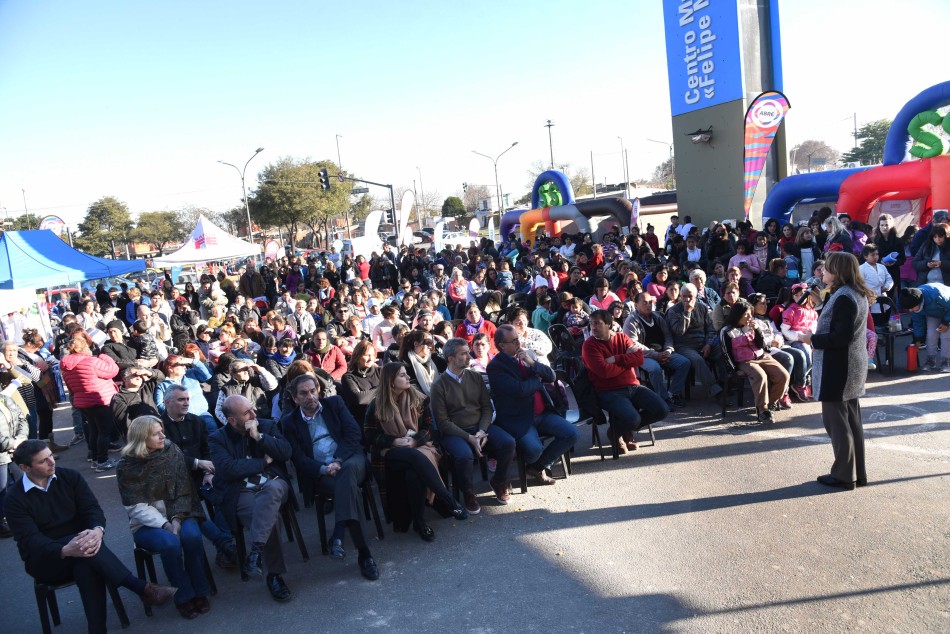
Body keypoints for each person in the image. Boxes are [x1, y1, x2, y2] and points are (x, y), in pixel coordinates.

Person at [6, 440, 176, 633]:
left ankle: (98, 629)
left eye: (51, 456)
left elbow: (92, 510)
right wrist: (64, 549)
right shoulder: (14, 498)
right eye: (43, 461)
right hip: (48, 559)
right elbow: (30, 540)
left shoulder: (69, 477)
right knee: (87, 554)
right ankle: (140, 588)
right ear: (24, 468)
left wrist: (97, 530)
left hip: (84, 549)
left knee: (86, 563)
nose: (52, 462)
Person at [280, 375, 380, 581]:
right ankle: (364, 554)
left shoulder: (334, 404)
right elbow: (298, 458)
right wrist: (324, 469)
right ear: (295, 398)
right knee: (349, 489)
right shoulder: (289, 422)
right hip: (323, 472)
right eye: (303, 393)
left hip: (350, 460)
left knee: (348, 473)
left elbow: (353, 435)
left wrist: (338, 460)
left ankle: (338, 534)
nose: (310, 396)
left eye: (313, 391)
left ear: (319, 390)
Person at [116, 416, 212, 619]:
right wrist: (165, 524)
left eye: (162, 430)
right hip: (147, 524)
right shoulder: (127, 466)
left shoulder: (171, 451)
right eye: (156, 433)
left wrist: (176, 518)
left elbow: (184, 489)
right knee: (170, 543)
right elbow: (135, 505)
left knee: (192, 537)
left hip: (182, 512)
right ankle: (184, 596)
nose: (163, 436)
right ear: (142, 439)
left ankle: (201, 590)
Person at [364, 363, 468, 540]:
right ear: (391, 382)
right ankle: (447, 498)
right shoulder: (377, 405)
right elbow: (369, 435)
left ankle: (420, 522)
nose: (407, 378)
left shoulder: (418, 398)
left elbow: (429, 429)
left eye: (406, 374)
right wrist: (393, 440)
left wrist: (414, 441)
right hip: (390, 453)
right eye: (402, 375)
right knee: (413, 456)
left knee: (414, 473)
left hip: (417, 447)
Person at [799, 252, 873, 490]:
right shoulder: (852, 293)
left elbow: (841, 336)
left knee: (837, 422)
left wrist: (813, 339)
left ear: (838, 271)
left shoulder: (844, 297)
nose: (822, 272)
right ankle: (856, 474)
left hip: (840, 366)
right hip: (850, 364)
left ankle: (843, 475)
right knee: (851, 420)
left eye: (827, 269)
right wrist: (821, 306)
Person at [210, 395, 295, 601]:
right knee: (269, 516)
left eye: (252, 408)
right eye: (247, 412)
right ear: (232, 420)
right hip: (242, 491)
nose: (254, 414)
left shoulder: (265, 425)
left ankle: (256, 553)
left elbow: (286, 452)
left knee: (272, 491)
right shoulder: (217, 438)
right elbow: (228, 469)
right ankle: (274, 575)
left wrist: (259, 437)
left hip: (274, 482)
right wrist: (262, 462)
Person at [430, 338, 515, 513]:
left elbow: (487, 407)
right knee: (464, 455)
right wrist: (469, 437)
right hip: (455, 432)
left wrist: (481, 431)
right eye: (463, 353)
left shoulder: (475, 376)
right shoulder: (439, 385)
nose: (469, 356)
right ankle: (468, 492)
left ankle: (499, 481)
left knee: (508, 442)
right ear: (451, 358)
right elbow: (443, 422)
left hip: (480, 427)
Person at [487, 325, 578, 484]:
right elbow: (520, 390)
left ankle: (537, 467)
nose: (518, 342)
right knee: (534, 450)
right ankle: (535, 463)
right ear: (502, 345)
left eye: (518, 338)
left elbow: (551, 375)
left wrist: (531, 362)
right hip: (520, 418)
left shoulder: (526, 355)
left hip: (543, 413)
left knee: (572, 434)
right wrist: (537, 380)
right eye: (514, 340)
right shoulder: (496, 367)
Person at [161, 384, 237, 569]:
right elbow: (165, 458)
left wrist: (208, 472)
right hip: (176, 481)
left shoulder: (197, 421)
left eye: (187, 399)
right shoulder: (159, 427)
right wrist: (196, 463)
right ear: (167, 402)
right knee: (192, 510)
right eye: (181, 399)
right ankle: (225, 545)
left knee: (222, 495)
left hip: (202, 477)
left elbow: (208, 450)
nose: (186, 403)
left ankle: (225, 546)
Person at [582, 310, 670, 450]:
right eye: (591, 324)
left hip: (633, 386)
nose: (593, 327)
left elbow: (639, 358)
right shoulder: (589, 345)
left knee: (662, 410)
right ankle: (616, 432)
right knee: (632, 419)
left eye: (597, 323)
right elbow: (604, 372)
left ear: (609, 324)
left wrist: (616, 359)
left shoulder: (622, 338)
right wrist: (627, 363)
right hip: (608, 390)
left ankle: (623, 429)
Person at [722, 300, 791, 423]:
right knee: (760, 376)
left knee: (783, 375)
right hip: (745, 361)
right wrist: (735, 369)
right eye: (746, 315)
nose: (749, 317)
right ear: (738, 315)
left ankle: (771, 403)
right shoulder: (727, 331)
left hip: (762, 356)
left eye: (750, 314)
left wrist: (757, 330)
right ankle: (762, 410)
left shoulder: (753, 325)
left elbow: (764, 346)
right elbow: (726, 353)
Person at [60, 336, 121, 472]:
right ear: (85, 347)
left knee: (94, 430)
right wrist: (105, 357)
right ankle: (102, 461)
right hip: (100, 399)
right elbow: (113, 370)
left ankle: (94, 458)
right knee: (104, 432)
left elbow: (71, 387)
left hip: (83, 402)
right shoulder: (91, 361)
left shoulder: (66, 367)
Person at [623, 292, 691, 408]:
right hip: (643, 355)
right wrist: (656, 355)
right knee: (655, 369)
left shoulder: (658, 317)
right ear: (636, 305)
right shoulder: (631, 321)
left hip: (662, 353)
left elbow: (668, 336)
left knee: (684, 363)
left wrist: (668, 350)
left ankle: (673, 393)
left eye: (650, 302)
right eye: (644, 302)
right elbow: (633, 345)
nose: (648, 305)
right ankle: (663, 398)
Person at [666, 283, 723, 400]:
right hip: (684, 345)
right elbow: (679, 331)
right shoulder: (674, 311)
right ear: (680, 296)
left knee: (723, 351)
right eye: (684, 296)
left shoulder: (702, 308)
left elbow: (711, 329)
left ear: (696, 297)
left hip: (703, 343)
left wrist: (708, 344)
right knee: (698, 360)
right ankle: (716, 392)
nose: (686, 299)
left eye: (690, 296)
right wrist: (687, 313)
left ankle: (726, 383)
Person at [155, 352, 215, 433]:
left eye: (185, 364)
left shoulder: (191, 374)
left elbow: (208, 376)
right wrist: (176, 413)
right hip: (183, 420)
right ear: (170, 368)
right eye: (181, 364)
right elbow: (159, 405)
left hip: (203, 414)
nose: (184, 366)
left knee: (214, 437)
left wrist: (193, 361)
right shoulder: (163, 385)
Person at [0, 379, 28, 538]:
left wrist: (20, 439)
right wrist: (11, 443)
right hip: (3, 453)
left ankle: (25, 514)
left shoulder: (5, 398)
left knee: (22, 482)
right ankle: (2, 522)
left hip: (14, 449)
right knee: (1, 489)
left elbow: (21, 418)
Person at [900, 284, 950, 372]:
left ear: (919, 302)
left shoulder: (936, 295)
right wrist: (918, 339)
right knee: (931, 334)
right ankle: (931, 360)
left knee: (945, 336)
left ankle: (946, 361)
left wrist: (946, 322)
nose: (910, 310)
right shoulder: (914, 304)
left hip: (948, 310)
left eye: (912, 308)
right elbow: (918, 323)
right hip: (933, 313)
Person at [111, 366, 164, 439]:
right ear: (124, 378)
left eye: (140, 375)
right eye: (135, 375)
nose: (138, 377)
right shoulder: (119, 398)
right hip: (139, 436)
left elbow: (161, 377)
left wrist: (149, 373)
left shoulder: (147, 387)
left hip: (158, 429)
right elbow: (124, 422)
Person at [339, 339, 381, 426]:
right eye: (367, 355)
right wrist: (383, 389)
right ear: (357, 356)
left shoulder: (381, 371)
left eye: (373, 355)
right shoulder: (348, 377)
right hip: (363, 420)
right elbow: (359, 398)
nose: (371, 358)